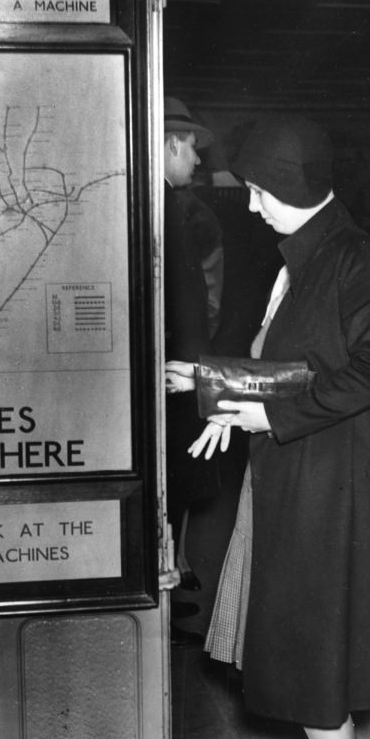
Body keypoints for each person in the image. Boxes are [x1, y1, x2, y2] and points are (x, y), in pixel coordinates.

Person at [170, 115, 370, 739]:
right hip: (302, 480)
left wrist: (266, 414)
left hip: (328, 491)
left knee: (317, 673)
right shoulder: (309, 255)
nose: (252, 207)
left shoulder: (358, 259)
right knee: (310, 669)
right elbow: (301, 365)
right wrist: (216, 385)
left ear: (294, 185)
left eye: (261, 192)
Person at [162, 97, 216, 631]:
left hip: (178, 370)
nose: (197, 161)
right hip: (176, 375)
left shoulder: (162, 201)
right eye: (193, 149)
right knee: (173, 482)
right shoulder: (165, 206)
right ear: (173, 144)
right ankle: (167, 600)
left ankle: (172, 583)